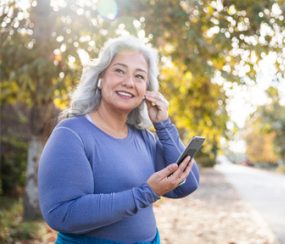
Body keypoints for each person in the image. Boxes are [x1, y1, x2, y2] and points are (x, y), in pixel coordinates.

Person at [38, 35, 200, 244]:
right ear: (100, 78)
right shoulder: (71, 134)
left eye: (140, 76)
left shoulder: (143, 137)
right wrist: (147, 193)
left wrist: (164, 124)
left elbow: (186, 185)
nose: (129, 82)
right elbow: (62, 214)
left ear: (147, 91)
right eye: (119, 71)